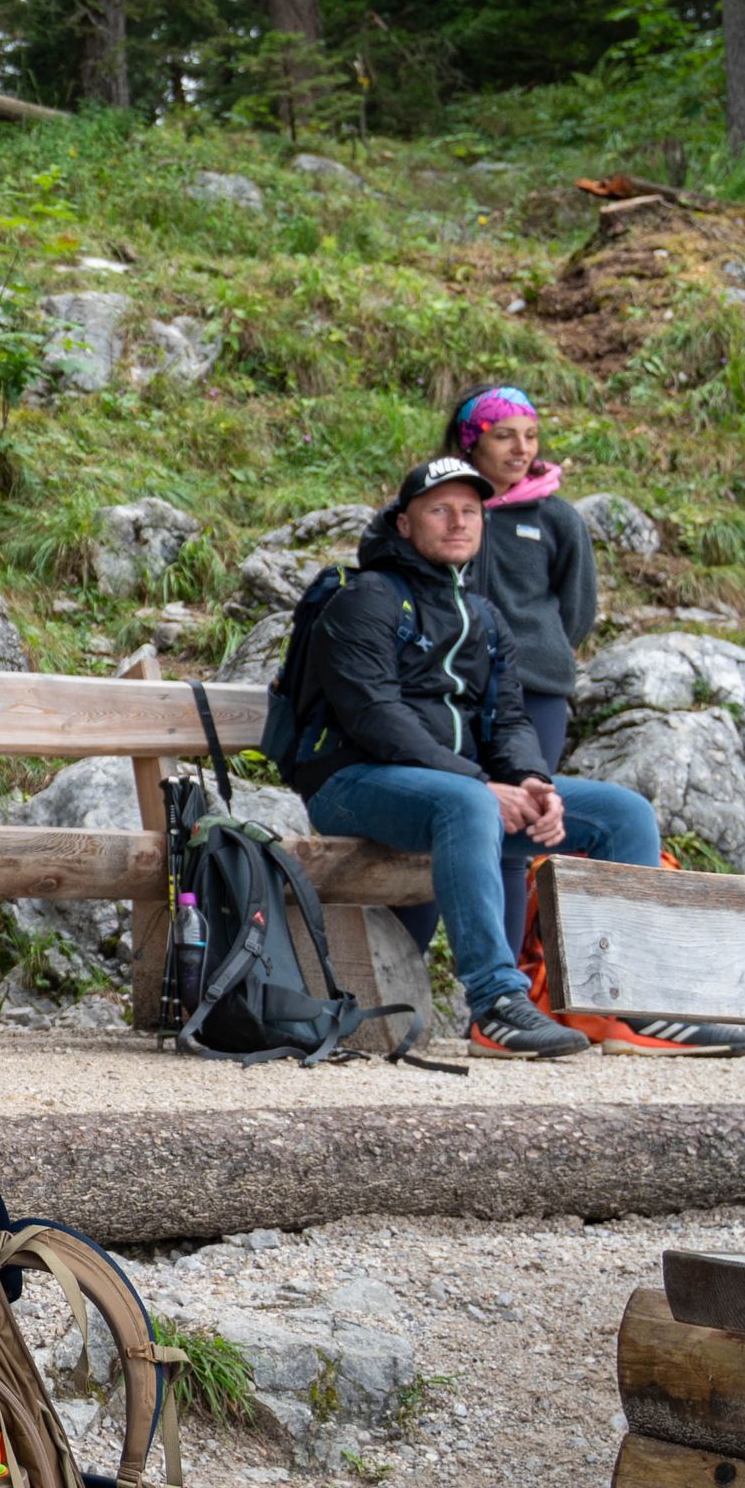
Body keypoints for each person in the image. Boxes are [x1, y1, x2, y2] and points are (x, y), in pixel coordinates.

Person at [282, 455, 706, 1061]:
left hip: (460, 795)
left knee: (624, 813)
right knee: (464, 804)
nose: (459, 522)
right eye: (440, 510)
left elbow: (508, 719)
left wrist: (533, 782)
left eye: (470, 511)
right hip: (353, 785)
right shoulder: (365, 600)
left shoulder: (483, 616)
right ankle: (496, 1005)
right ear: (404, 524)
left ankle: (632, 1002)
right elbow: (376, 718)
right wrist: (480, 784)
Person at [439, 383, 595, 956]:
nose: (520, 449)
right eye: (504, 435)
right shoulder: (446, 511)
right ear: (470, 441)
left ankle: (502, 1000)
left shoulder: (557, 518)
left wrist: (535, 652)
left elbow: (575, 610)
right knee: (450, 819)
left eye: (529, 436)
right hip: (450, 691)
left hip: (536, 694)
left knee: (517, 829)